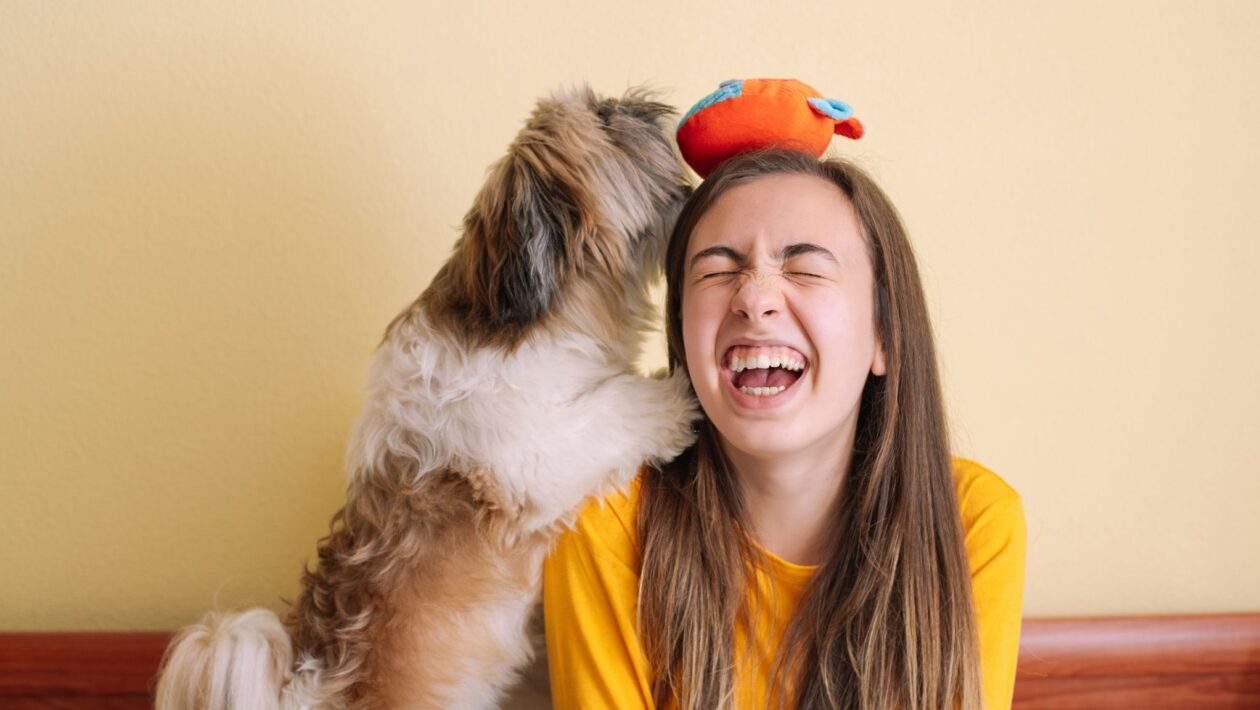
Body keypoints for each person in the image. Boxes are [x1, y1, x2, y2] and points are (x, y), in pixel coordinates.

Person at [542, 148, 1026, 710]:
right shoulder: (603, 524)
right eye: (717, 271)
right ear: (680, 335)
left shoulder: (974, 523)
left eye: (805, 268)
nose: (754, 298)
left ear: (885, 336)